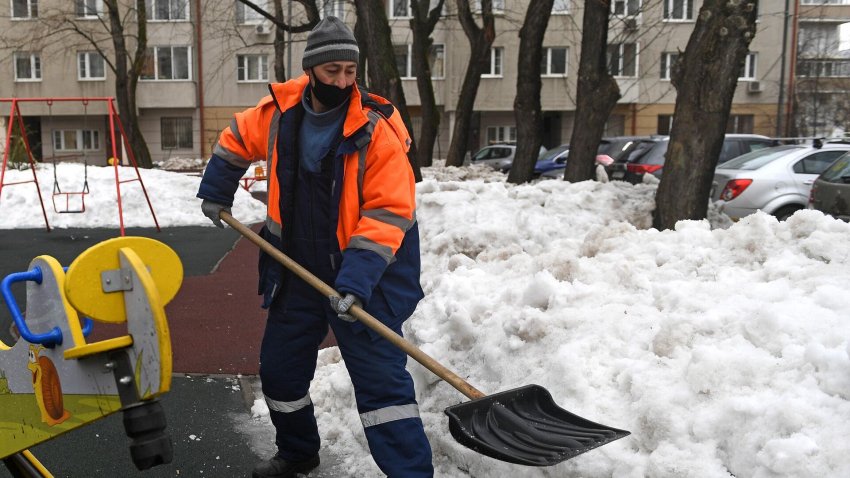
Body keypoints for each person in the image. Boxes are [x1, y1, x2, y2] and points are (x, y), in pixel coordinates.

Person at [196, 16, 433, 478]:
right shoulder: (280, 113)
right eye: (332, 72)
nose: (343, 82)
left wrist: (357, 280)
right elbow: (235, 138)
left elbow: (388, 213)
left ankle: (411, 474)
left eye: (350, 71)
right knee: (281, 372)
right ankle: (297, 452)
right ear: (311, 71)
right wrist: (217, 188)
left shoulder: (375, 128)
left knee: (381, 388)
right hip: (298, 268)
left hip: (368, 272)